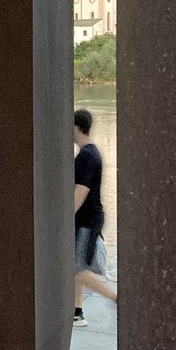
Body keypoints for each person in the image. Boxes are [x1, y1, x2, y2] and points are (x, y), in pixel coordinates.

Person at [72, 108, 116, 326]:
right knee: (78, 266)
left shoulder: (86, 157)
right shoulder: (90, 153)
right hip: (88, 219)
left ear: (76, 128)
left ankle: (117, 298)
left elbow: (81, 192)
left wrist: (63, 221)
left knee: (77, 269)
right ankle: (77, 312)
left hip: (86, 221)